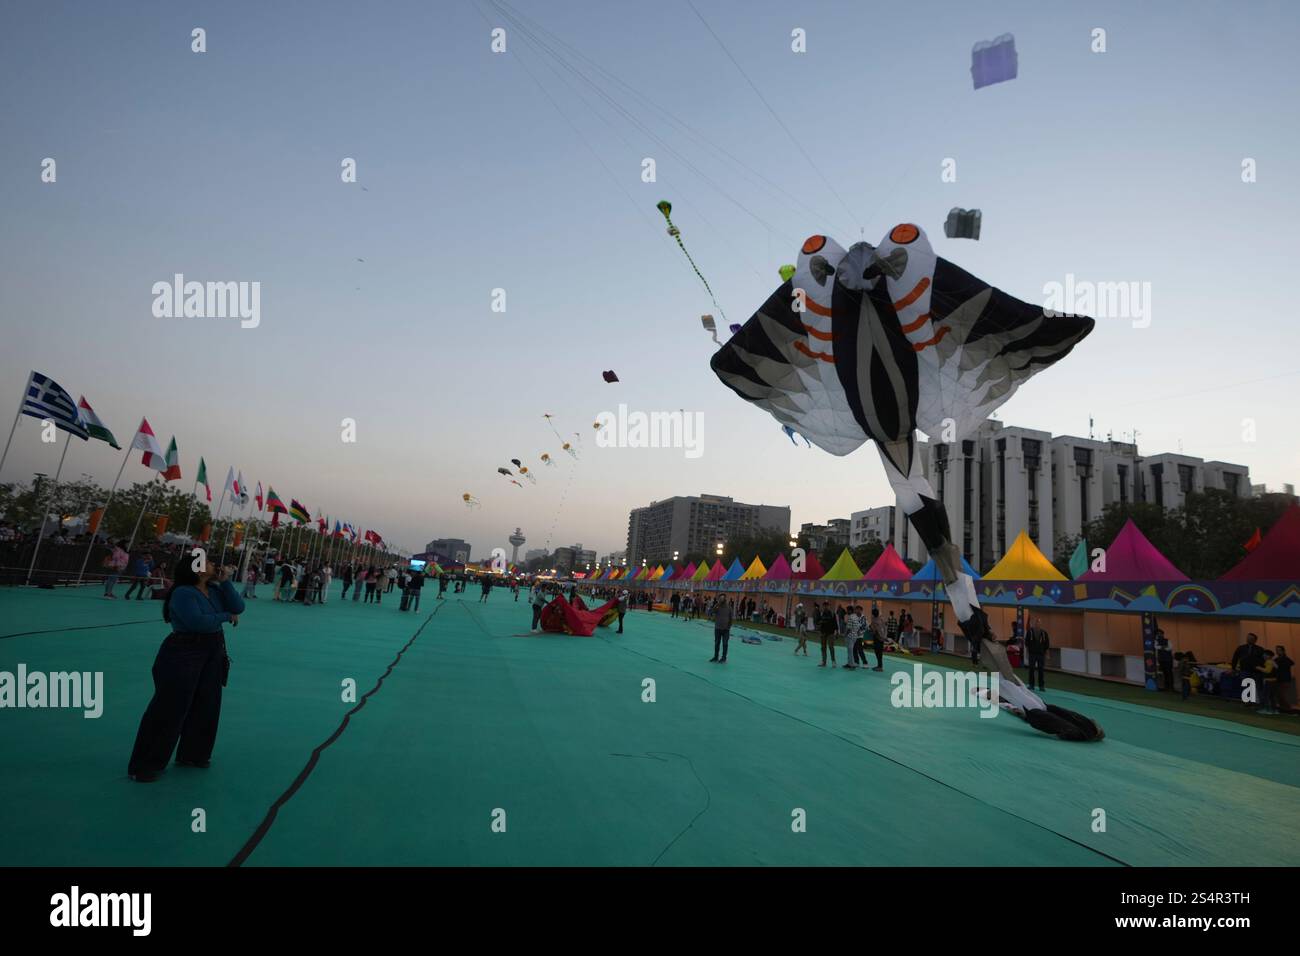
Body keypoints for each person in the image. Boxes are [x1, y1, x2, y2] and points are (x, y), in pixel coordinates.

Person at [126, 558, 245, 782]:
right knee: (170, 707)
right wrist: (226, 617)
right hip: (185, 650)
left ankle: (193, 754)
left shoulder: (214, 589)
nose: (213, 564)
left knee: (207, 703)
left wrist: (226, 582)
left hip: (212, 650)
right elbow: (196, 622)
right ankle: (144, 764)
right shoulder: (183, 593)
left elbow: (238, 606)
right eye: (207, 562)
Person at [1231, 632, 1267, 708]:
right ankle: (1247, 702)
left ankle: (1261, 703)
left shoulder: (1260, 649)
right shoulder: (1241, 648)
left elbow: (1264, 660)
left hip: (1256, 671)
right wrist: (1233, 668)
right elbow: (1235, 658)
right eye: (1248, 638)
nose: (1248, 639)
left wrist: (1262, 669)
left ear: (1255, 640)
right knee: (1246, 686)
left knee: (1258, 687)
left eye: (1250, 638)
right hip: (1245, 670)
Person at [1025, 617, 1049, 691]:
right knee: (1031, 669)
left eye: (1039, 622)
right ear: (1033, 623)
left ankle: (1041, 686)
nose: (1037, 623)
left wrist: (1047, 654)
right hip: (1032, 654)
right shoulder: (1030, 632)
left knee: (1041, 670)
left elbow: (1047, 644)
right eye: (1036, 622)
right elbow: (1027, 643)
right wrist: (1027, 653)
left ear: (1040, 624)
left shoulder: (1044, 633)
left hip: (1041, 654)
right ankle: (1031, 685)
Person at [710, 595, 732, 663]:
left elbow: (731, 618)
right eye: (720, 598)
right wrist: (717, 605)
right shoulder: (717, 606)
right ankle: (716, 657)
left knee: (725, 644)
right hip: (718, 628)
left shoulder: (729, 607)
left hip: (726, 629)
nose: (722, 599)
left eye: (723, 598)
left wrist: (728, 627)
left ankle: (723, 658)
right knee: (717, 643)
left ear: (725, 599)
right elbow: (712, 612)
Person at [1274, 646, 1295, 713]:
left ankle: (1288, 709)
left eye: (1279, 650)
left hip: (1285, 679)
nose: (1277, 651)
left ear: (1283, 651)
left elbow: (1292, 663)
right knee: (1279, 695)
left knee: (1282, 695)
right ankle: (1283, 708)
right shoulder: (1276, 659)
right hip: (1278, 679)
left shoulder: (1286, 659)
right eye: (1277, 650)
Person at [843, 605, 864, 669]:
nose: (846, 611)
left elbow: (848, 628)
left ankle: (851, 665)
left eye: (847, 610)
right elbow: (859, 627)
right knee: (850, 651)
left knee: (850, 651)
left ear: (850, 610)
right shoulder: (857, 617)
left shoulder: (851, 617)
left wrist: (845, 635)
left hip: (850, 636)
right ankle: (850, 663)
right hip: (855, 636)